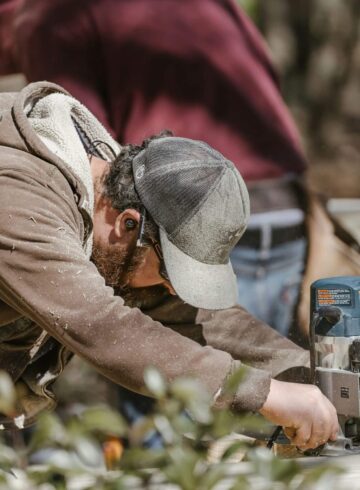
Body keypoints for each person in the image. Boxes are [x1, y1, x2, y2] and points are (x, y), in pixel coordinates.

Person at [0, 82, 338, 450]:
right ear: (128, 223)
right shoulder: (18, 202)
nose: (171, 291)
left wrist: (323, 382)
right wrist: (263, 393)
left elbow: (201, 319)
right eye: (168, 273)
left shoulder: (110, 200)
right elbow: (103, 326)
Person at [11, 0, 308, 338]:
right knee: (275, 376)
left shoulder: (44, 16)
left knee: (157, 359)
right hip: (283, 202)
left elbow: (84, 155)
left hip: (168, 216)